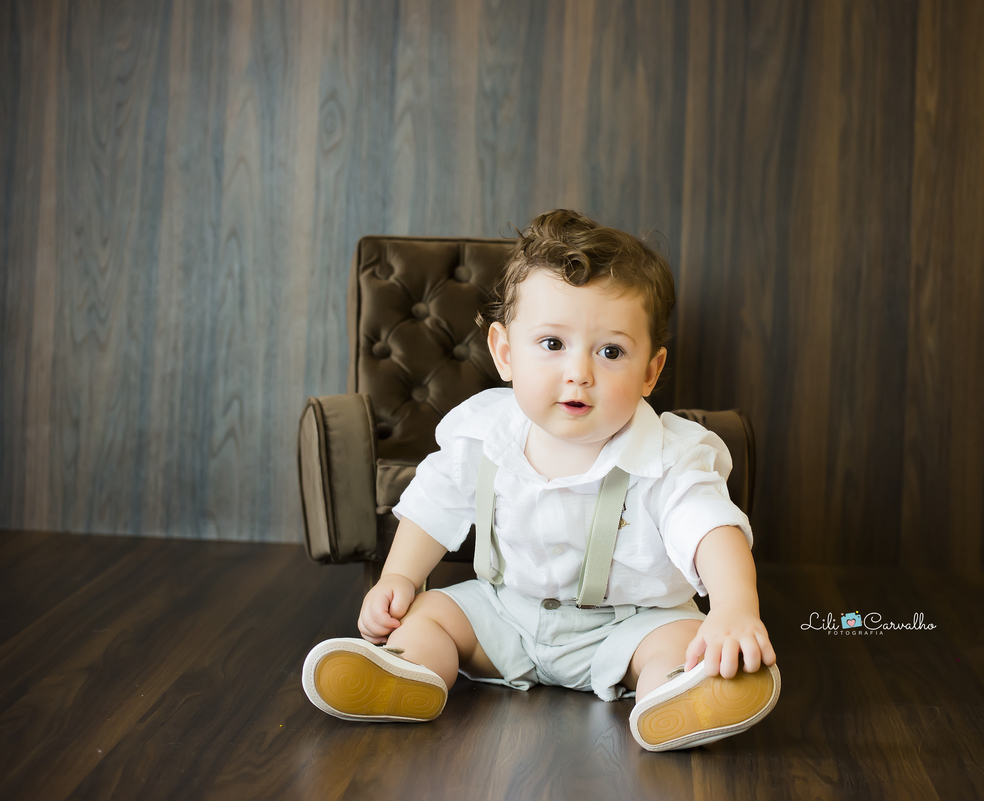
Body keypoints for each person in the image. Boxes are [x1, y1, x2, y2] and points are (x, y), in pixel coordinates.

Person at [302, 209, 779, 751]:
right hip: (507, 612)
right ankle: (407, 673)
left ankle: (677, 693)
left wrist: (735, 609)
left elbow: (711, 528)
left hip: (629, 626)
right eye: (553, 344)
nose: (579, 372)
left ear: (651, 370)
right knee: (430, 615)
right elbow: (433, 506)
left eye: (611, 351)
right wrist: (400, 579)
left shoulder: (668, 455)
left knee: (682, 641)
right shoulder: (485, 431)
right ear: (505, 353)